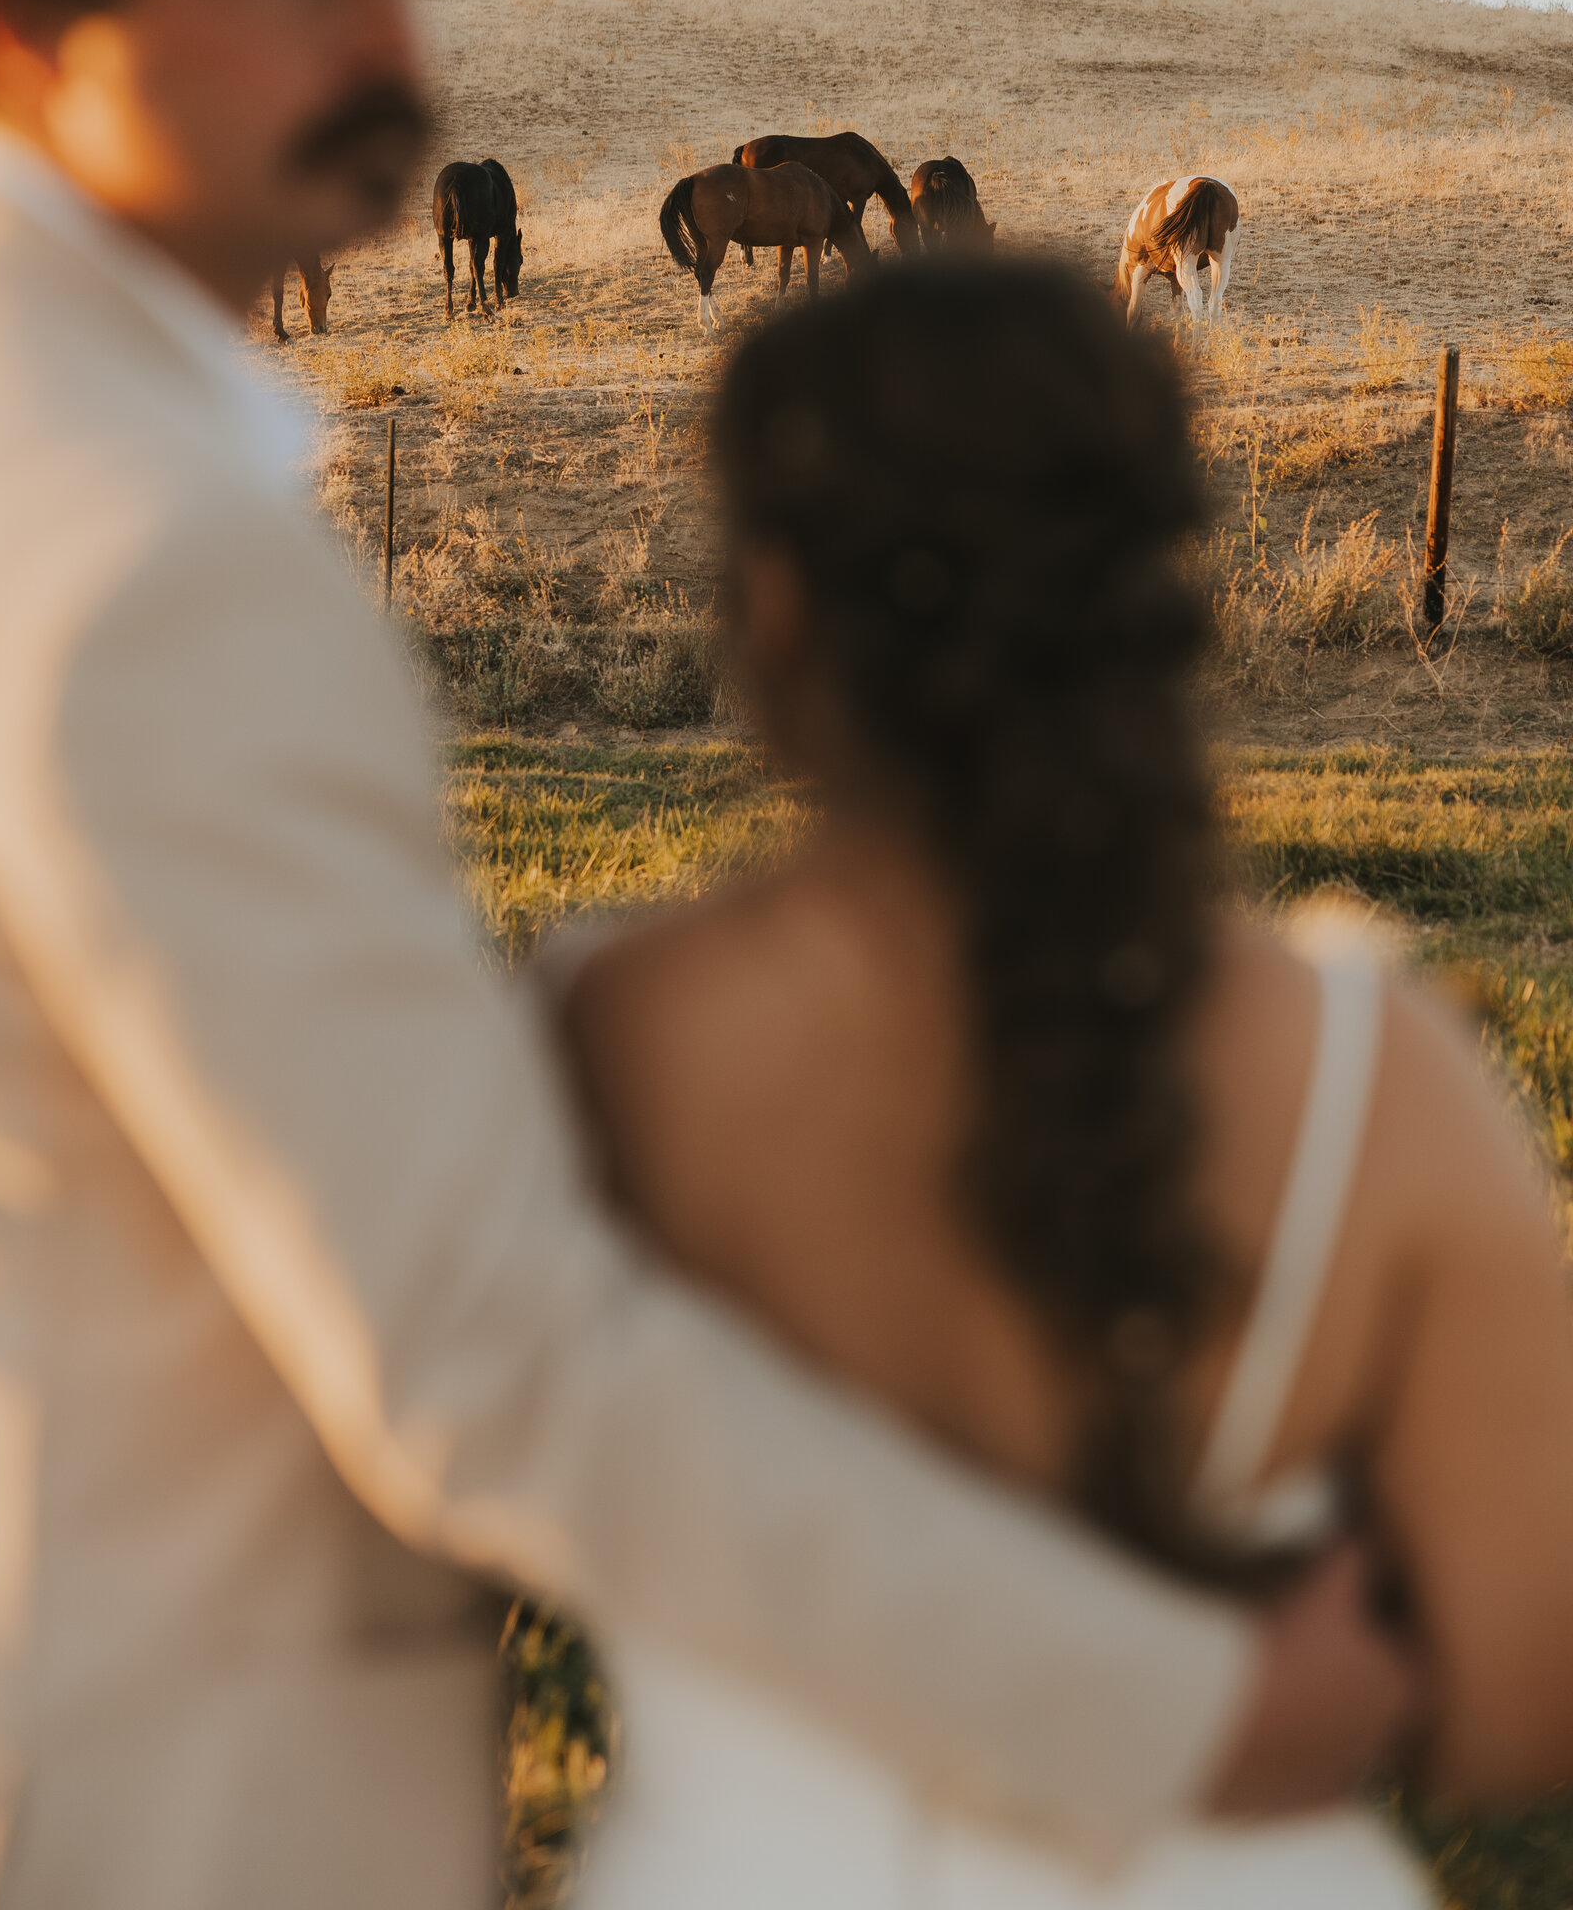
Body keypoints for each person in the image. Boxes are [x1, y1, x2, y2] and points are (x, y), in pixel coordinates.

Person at [0, 0, 1418, 1910]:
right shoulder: (139, 562)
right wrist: (1171, 1701)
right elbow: (476, 1362)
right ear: (20, 19)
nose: (386, 41)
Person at [559, 257, 1573, 1910]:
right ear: (1157, 596)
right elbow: (1526, 1700)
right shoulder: (1370, 1075)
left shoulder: (610, 1029)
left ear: (779, 606)